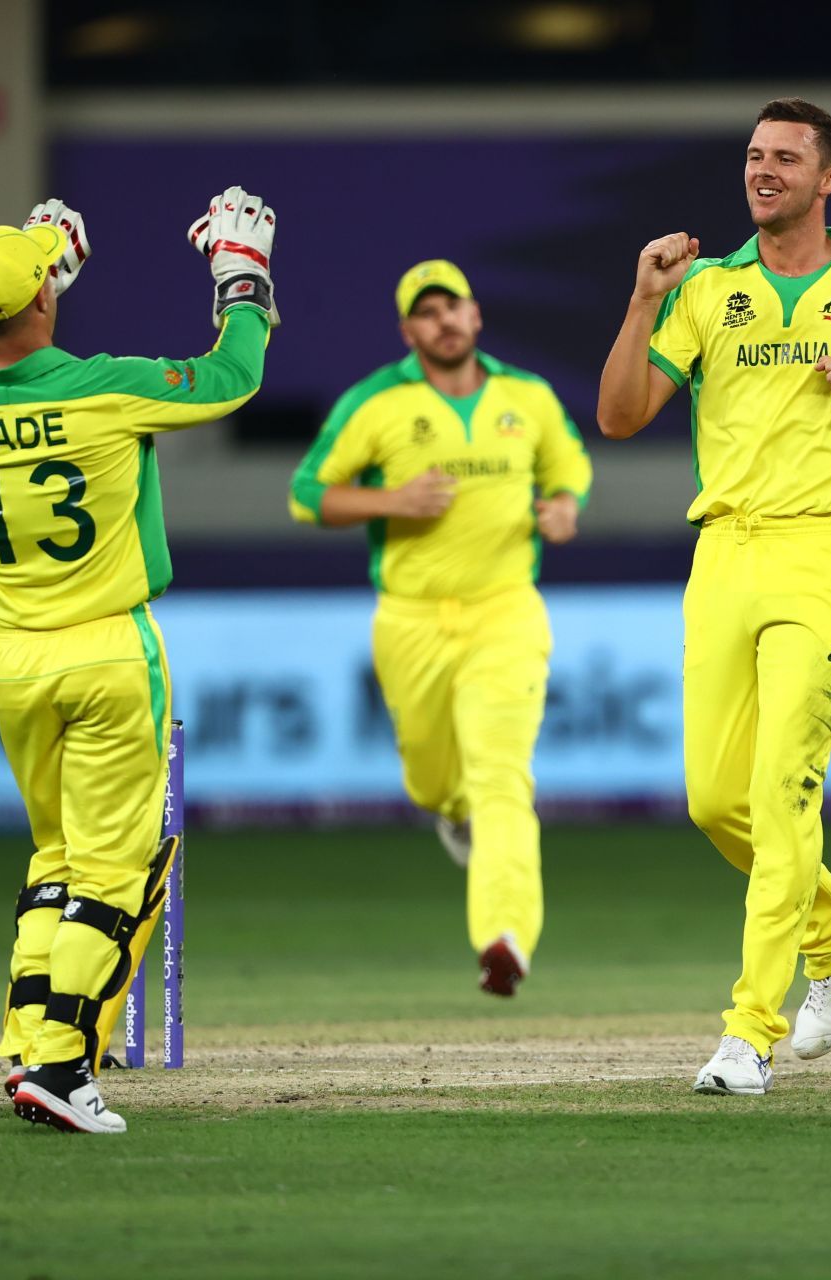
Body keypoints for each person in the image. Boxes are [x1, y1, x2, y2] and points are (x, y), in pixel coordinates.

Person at [595, 98, 831, 1095]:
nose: (763, 171)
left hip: (820, 551)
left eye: (786, 158)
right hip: (721, 551)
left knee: (781, 792)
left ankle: (745, 1032)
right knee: (714, 800)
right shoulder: (709, 288)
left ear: (828, 177)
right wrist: (641, 301)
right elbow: (622, 414)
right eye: (755, 156)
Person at [0, 187, 280, 1133]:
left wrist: (44, 268)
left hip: (14, 658)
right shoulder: (101, 388)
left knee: (57, 856)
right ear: (42, 299)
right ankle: (63, 1065)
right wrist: (243, 275)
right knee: (118, 868)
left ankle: (25, 1035)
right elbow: (229, 376)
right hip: (110, 648)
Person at [289, 260, 592, 997]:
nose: (443, 321)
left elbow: (570, 468)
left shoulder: (528, 396)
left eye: (453, 306)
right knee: (431, 777)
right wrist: (391, 500)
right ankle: (448, 813)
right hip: (411, 620)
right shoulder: (376, 403)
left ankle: (505, 936)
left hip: (506, 611)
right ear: (407, 331)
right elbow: (307, 494)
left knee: (502, 779)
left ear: (476, 315)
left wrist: (564, 508)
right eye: (426, 313)